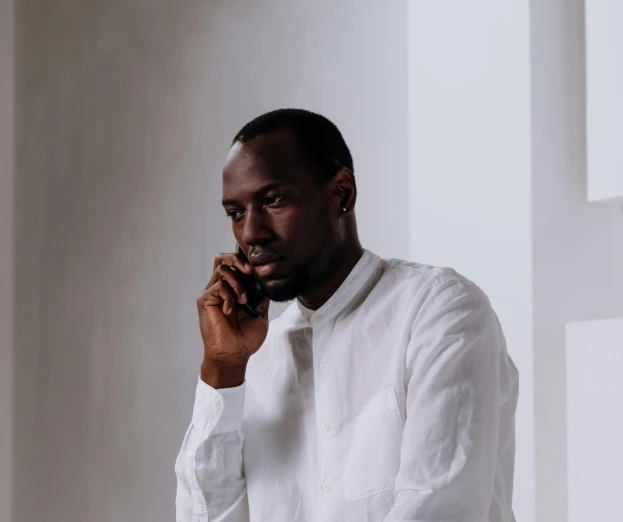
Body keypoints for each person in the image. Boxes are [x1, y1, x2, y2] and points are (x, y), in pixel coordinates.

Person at [174, 109, 519, 522]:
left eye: (273, 200)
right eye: (236, 213)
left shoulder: (439, 311)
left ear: (342, 193)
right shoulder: (257, 360)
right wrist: (223, 369)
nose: (251, 233)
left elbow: (439, 508)